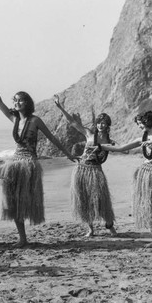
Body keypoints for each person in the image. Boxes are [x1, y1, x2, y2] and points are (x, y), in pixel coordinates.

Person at [0, 68, 77, 248]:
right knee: (11, 196)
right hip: (15, 160)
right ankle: (18, 235)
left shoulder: (35, 121)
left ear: (27, 103)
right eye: (15, 100)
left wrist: (68, 154)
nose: (17, 102)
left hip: (28, 163)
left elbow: (52, 138)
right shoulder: (14, 120)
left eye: (21, 100)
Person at [101, 111, 152, 249]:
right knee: (148, 206)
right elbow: (120, 148)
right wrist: (100, 146)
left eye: (140, 124)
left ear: (147, 121)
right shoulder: (141, 139)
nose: (139, 127)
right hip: (146, 174)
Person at [53, 94, 118, 237]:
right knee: (83, 199)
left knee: (102, 199)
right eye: (99, 122)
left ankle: (109, 225)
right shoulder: (89, 134)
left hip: (96, 172)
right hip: (81, 170)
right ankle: (90, 229)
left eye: (104, 123)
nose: (101, 125)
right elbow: (73, 123)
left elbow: (118, 150)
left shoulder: (110, 141)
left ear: (108, 125)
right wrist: (60, 108)